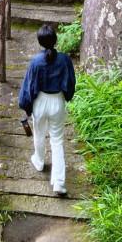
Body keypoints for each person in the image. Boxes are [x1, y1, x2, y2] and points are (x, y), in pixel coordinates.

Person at [18, 24, 76, 197]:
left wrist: (26, 106)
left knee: (39, 133)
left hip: (40, 102)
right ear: (55, 40)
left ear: (40, 42)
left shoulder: (35, 62)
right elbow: (71, 84)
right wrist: (66, 96)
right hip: (57, 101)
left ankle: (39, 161)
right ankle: (59, 182)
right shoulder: (64, 60)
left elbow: (29, 87)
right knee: (57, 140)